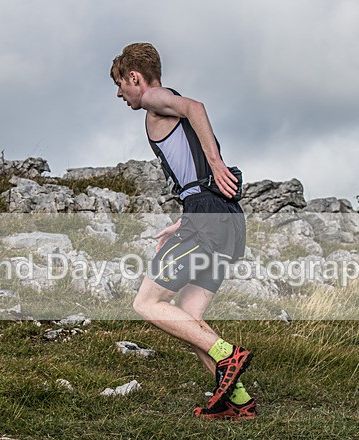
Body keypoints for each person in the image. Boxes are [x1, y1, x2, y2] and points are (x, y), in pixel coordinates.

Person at [110, 42, 256, 420]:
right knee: (188, 316)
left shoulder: (155, 97)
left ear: (134, 77)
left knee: (145, 302)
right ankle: (239, 403)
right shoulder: (164, 103)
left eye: (120, 84)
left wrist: (217, 163)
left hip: (208, 217)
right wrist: (187, 215)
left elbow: (197, 108)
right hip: (220, 217)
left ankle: (228, 354)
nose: (119, 94)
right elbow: (193, 174)